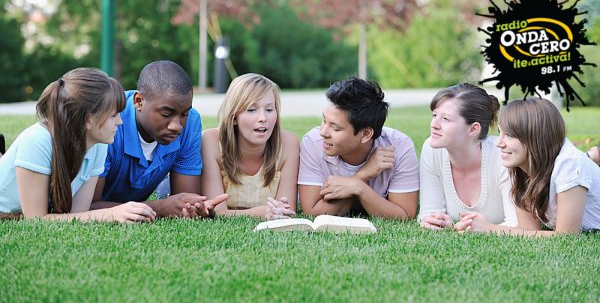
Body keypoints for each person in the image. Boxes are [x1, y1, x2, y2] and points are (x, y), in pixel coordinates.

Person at [0, 68, 156, 222]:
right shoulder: (37, 140)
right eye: (113, 115)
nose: (120, 122)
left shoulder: (98, 145)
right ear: (88, 120)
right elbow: (36, 219)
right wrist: (109, 214)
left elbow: (78, 213)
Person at [92, 60, 227, 218]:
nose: (177, 126)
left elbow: (185, 200)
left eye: (184, 114)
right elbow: (87, 207)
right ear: (139, 101)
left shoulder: (190, 123)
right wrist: (161, 206)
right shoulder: (109, 122)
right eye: (166, 113)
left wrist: (194, 208)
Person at [457, 98, 600, 234]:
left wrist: (490, 229)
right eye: (500, 132)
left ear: (536, 138)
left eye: (510, 135)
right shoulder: (520, 164)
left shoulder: (570, 163)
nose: (499, 143)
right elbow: (528, 230)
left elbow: (567, 236)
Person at [298, 77, 419, 219]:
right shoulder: (313, 142)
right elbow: (312, 212)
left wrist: (360, 189)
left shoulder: (399, 147)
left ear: (366, 134)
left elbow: (404, 215)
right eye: (324, 120)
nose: (323, 132)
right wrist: (361, 176)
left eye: (335, 128)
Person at [418, 83, 517, 230]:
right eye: (435, 115)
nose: (434, 124)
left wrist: (486, 229)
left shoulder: (503, 155)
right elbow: (429, 213)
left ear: (473, 129)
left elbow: (518, 225)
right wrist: (435, 221)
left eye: (445, 119)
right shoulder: (432, 150)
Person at [200, 73, 299, 219]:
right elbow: (217, 212)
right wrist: (259, 213)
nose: (263, 118)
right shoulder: (210, 141)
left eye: (269, 109)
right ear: (234, 117)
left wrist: (275, 212)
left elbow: (286, 210)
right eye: (252, 110)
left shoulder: (288, 143)